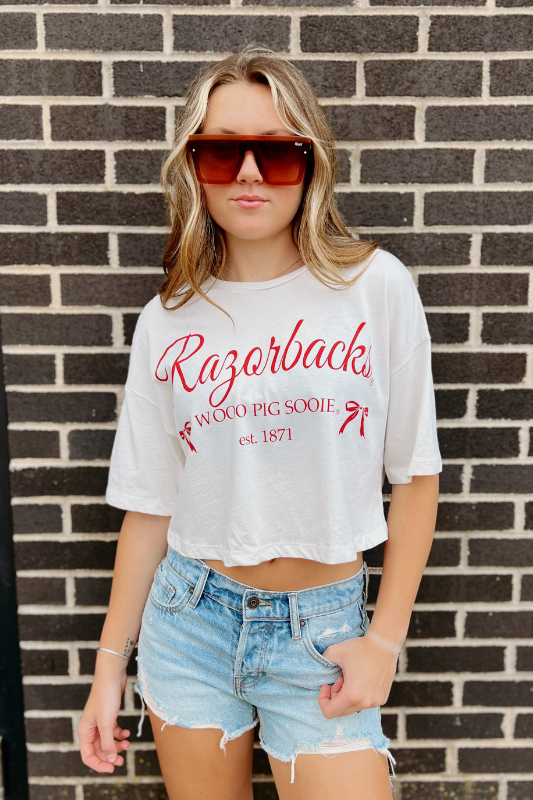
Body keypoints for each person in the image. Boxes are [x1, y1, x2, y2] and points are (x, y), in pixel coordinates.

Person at [78, 44, 442, 800]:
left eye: (275, 153)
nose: (248, 173)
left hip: (322, 634)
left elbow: (416, 476)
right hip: (189, 622)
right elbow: (150, 506)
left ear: (310, 164)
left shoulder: (374, 287)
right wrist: (108, 668)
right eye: (222, 152)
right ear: (194, 168)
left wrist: (384, 642)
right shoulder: (167, 319)